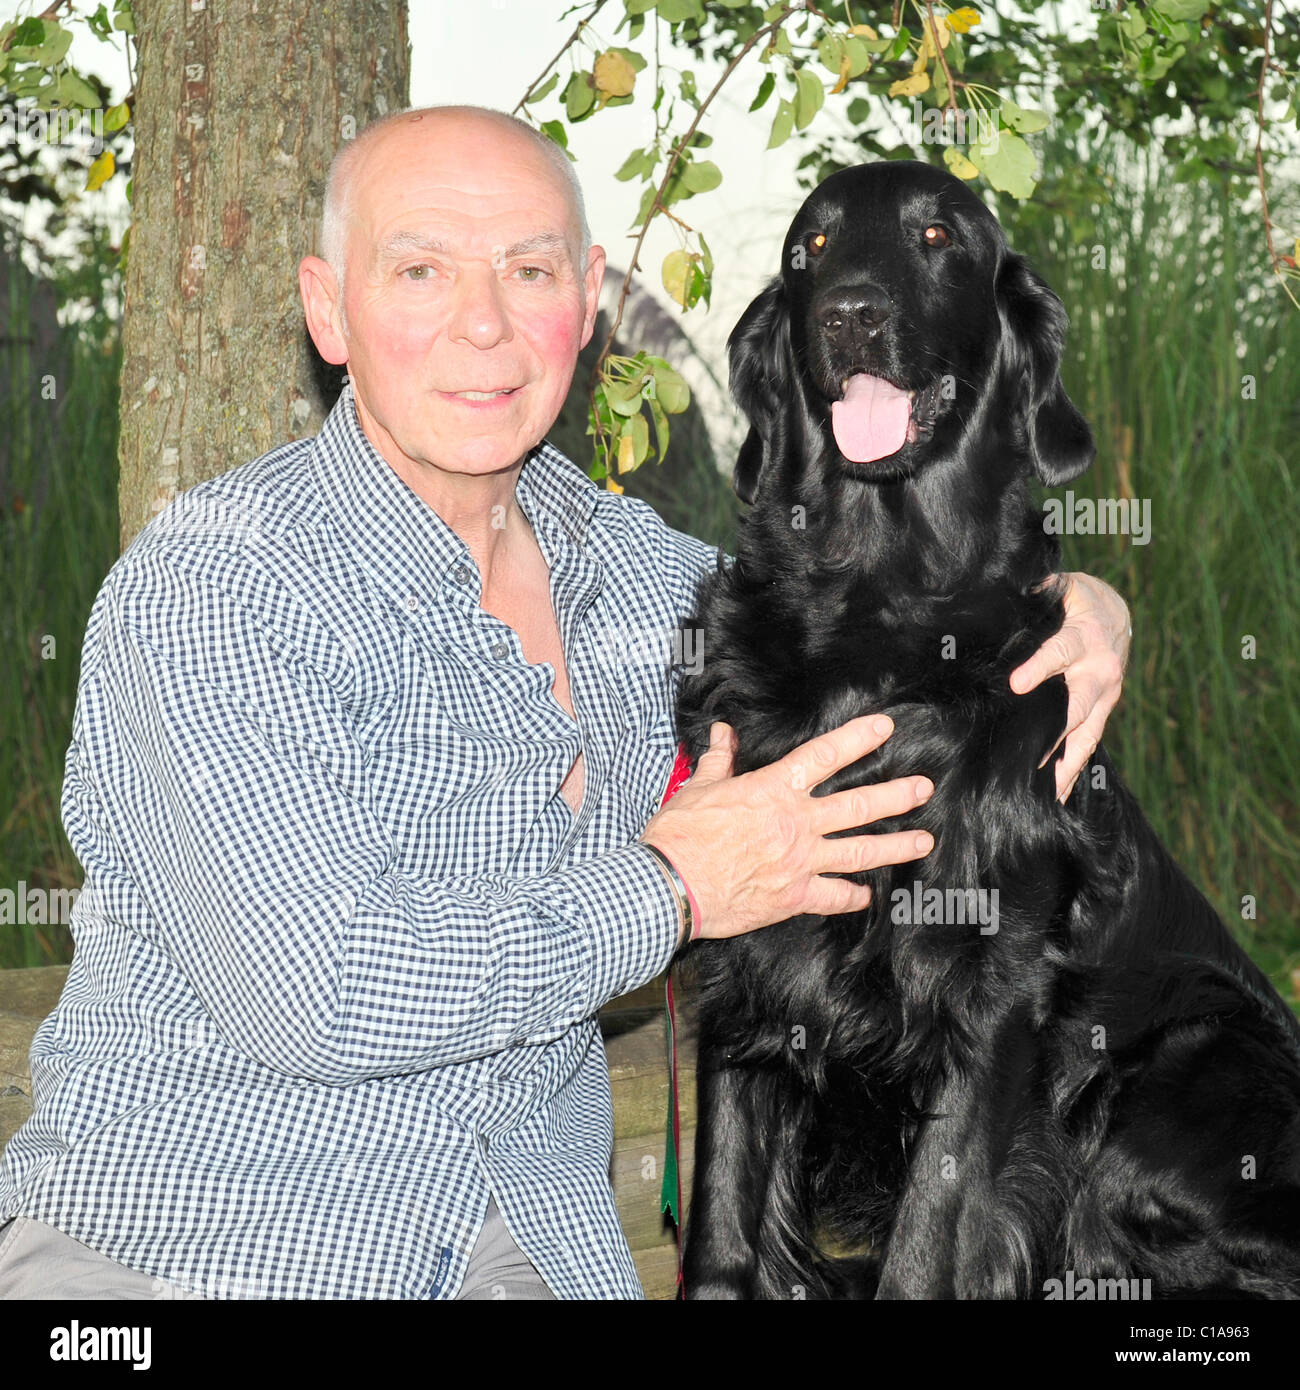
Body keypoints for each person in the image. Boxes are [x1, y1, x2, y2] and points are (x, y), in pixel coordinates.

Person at [0, 106, 1131, 1300]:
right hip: (183, 1255)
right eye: (421, 268)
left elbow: (876, 619)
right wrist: (676, 887)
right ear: (328, 311)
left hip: (520, 1263)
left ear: (585, 302)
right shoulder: (219, 585)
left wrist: (1077, 600)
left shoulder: (652, 578)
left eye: (528, 270)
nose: (482, 324)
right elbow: (322, 995)